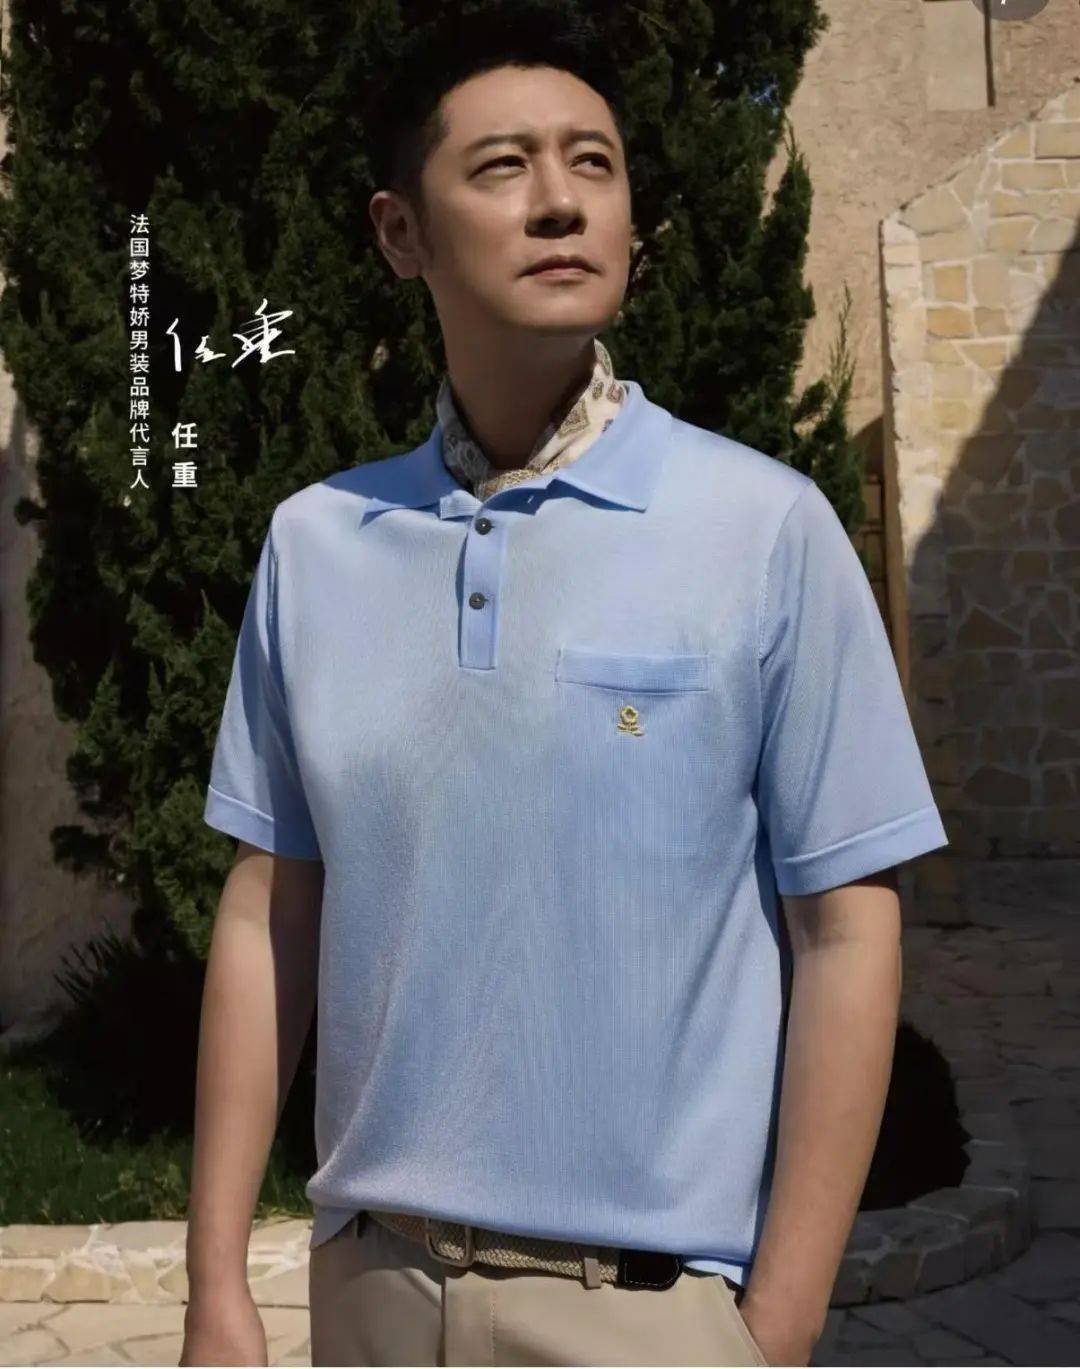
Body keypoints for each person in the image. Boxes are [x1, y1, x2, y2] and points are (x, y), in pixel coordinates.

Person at [182, 5, 950, 1366]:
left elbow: (848, 925)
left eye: (593, 162)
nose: (559, 201)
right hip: (370, 1296)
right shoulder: (316, 545)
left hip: (652, 1315)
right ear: (399, 233)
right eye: (503, 166)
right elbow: (270, 909)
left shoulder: (764, 528)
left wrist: (776, 1327)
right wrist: (215, 1284)